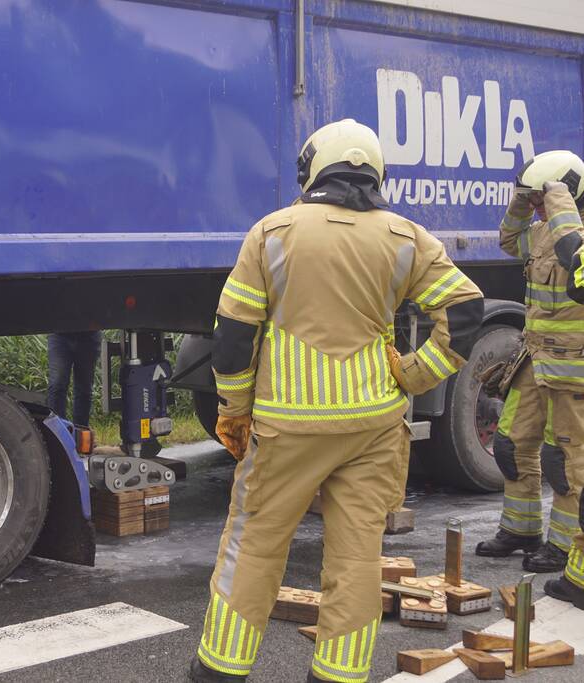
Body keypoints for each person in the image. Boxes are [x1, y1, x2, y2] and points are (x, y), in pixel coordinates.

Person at [190, 119, 483, 682]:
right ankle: (338, 675)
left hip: (287, 428)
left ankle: (220, 671)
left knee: (252, 548)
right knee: (355, 561)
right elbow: (466, 315)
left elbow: (232, 334)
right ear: (375, 173)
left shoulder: (271, 233)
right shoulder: (406, 238)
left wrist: (233, 409)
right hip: (373, 426)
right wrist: (418, 375)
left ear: (313, 169)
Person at [476, 151, 584, 576]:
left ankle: (564, 546)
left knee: (566, 461)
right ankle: (521, 530)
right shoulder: (541, 232)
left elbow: (573, 259)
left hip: (573, 370)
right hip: (534, 358)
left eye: (543, 200)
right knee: (511, 444)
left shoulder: (572, 237)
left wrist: (557, 204)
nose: (539, 208)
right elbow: (508, 240)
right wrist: (521, 200)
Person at [47, 331, 103, 426]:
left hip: (89, 335)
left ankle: (80, 433)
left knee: (84, 389)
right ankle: (57, 433)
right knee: (57, 385)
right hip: (58, 334)